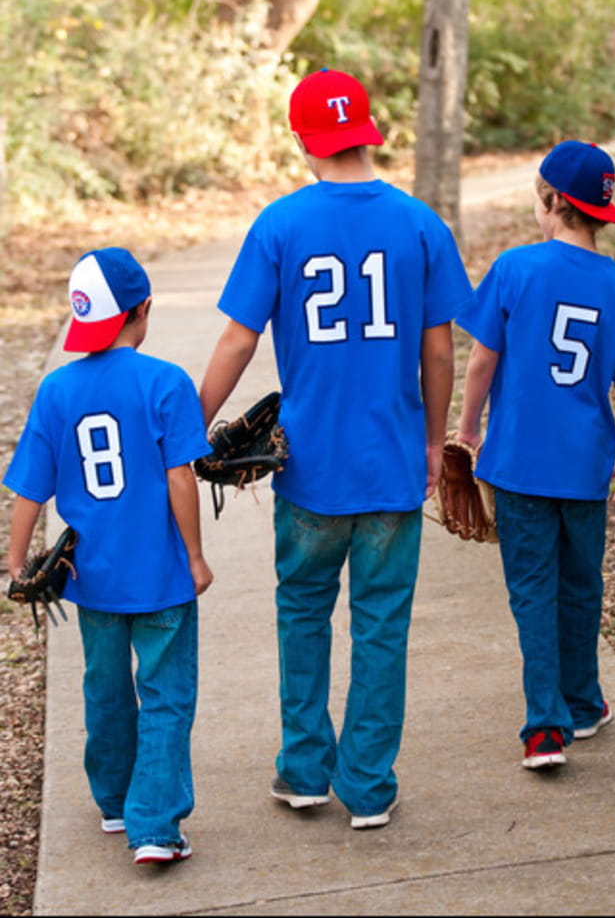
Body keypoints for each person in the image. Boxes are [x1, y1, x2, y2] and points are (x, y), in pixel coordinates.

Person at [199, 68, 472, 828]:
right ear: (368, 129)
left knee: (303, 615)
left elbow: (236, 338)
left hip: (309, 472)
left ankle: (304, 772)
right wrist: (431, 441)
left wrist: (189, 428)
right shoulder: (420, 224)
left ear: (302, 138)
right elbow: (439, 351)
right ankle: (370, 787)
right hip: (389, 466)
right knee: (381, 626)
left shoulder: (280, 225)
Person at [3, 246, 214, 864]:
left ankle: (116, 803)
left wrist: (17, 565)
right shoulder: (166, 383)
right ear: (141, 308)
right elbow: (181, 478)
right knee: (167, 695)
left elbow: (29, 491)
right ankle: (156, 827)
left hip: (90, 578)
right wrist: (196, 556)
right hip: (161, 578)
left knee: (106, 688)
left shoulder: (57, 391)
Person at [454, 140, 615, 770]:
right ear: (598, 212)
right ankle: (584, 701)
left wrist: (467, 431)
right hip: (584, 463)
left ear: (550, 203)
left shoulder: (516, 269)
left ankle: (545, 727)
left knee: (533, 590)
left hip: (517, 462)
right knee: (582, 585)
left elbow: (483, 359)